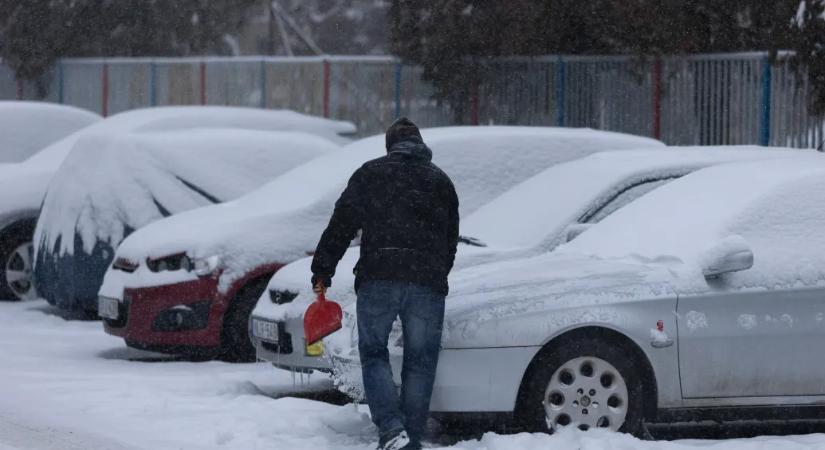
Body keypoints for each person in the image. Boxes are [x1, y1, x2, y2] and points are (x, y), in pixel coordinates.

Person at [310, 117, 459, 450]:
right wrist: (437, 274)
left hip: (378, 277)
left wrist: (323, 269)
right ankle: (411, 433)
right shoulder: (440, 181)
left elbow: (341, 224)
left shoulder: (370, 174)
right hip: (426, 283)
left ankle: (392, 430)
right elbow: (450, 240)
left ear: (390, 146)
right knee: (421, 360)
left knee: (374, 354)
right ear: (421, 145)